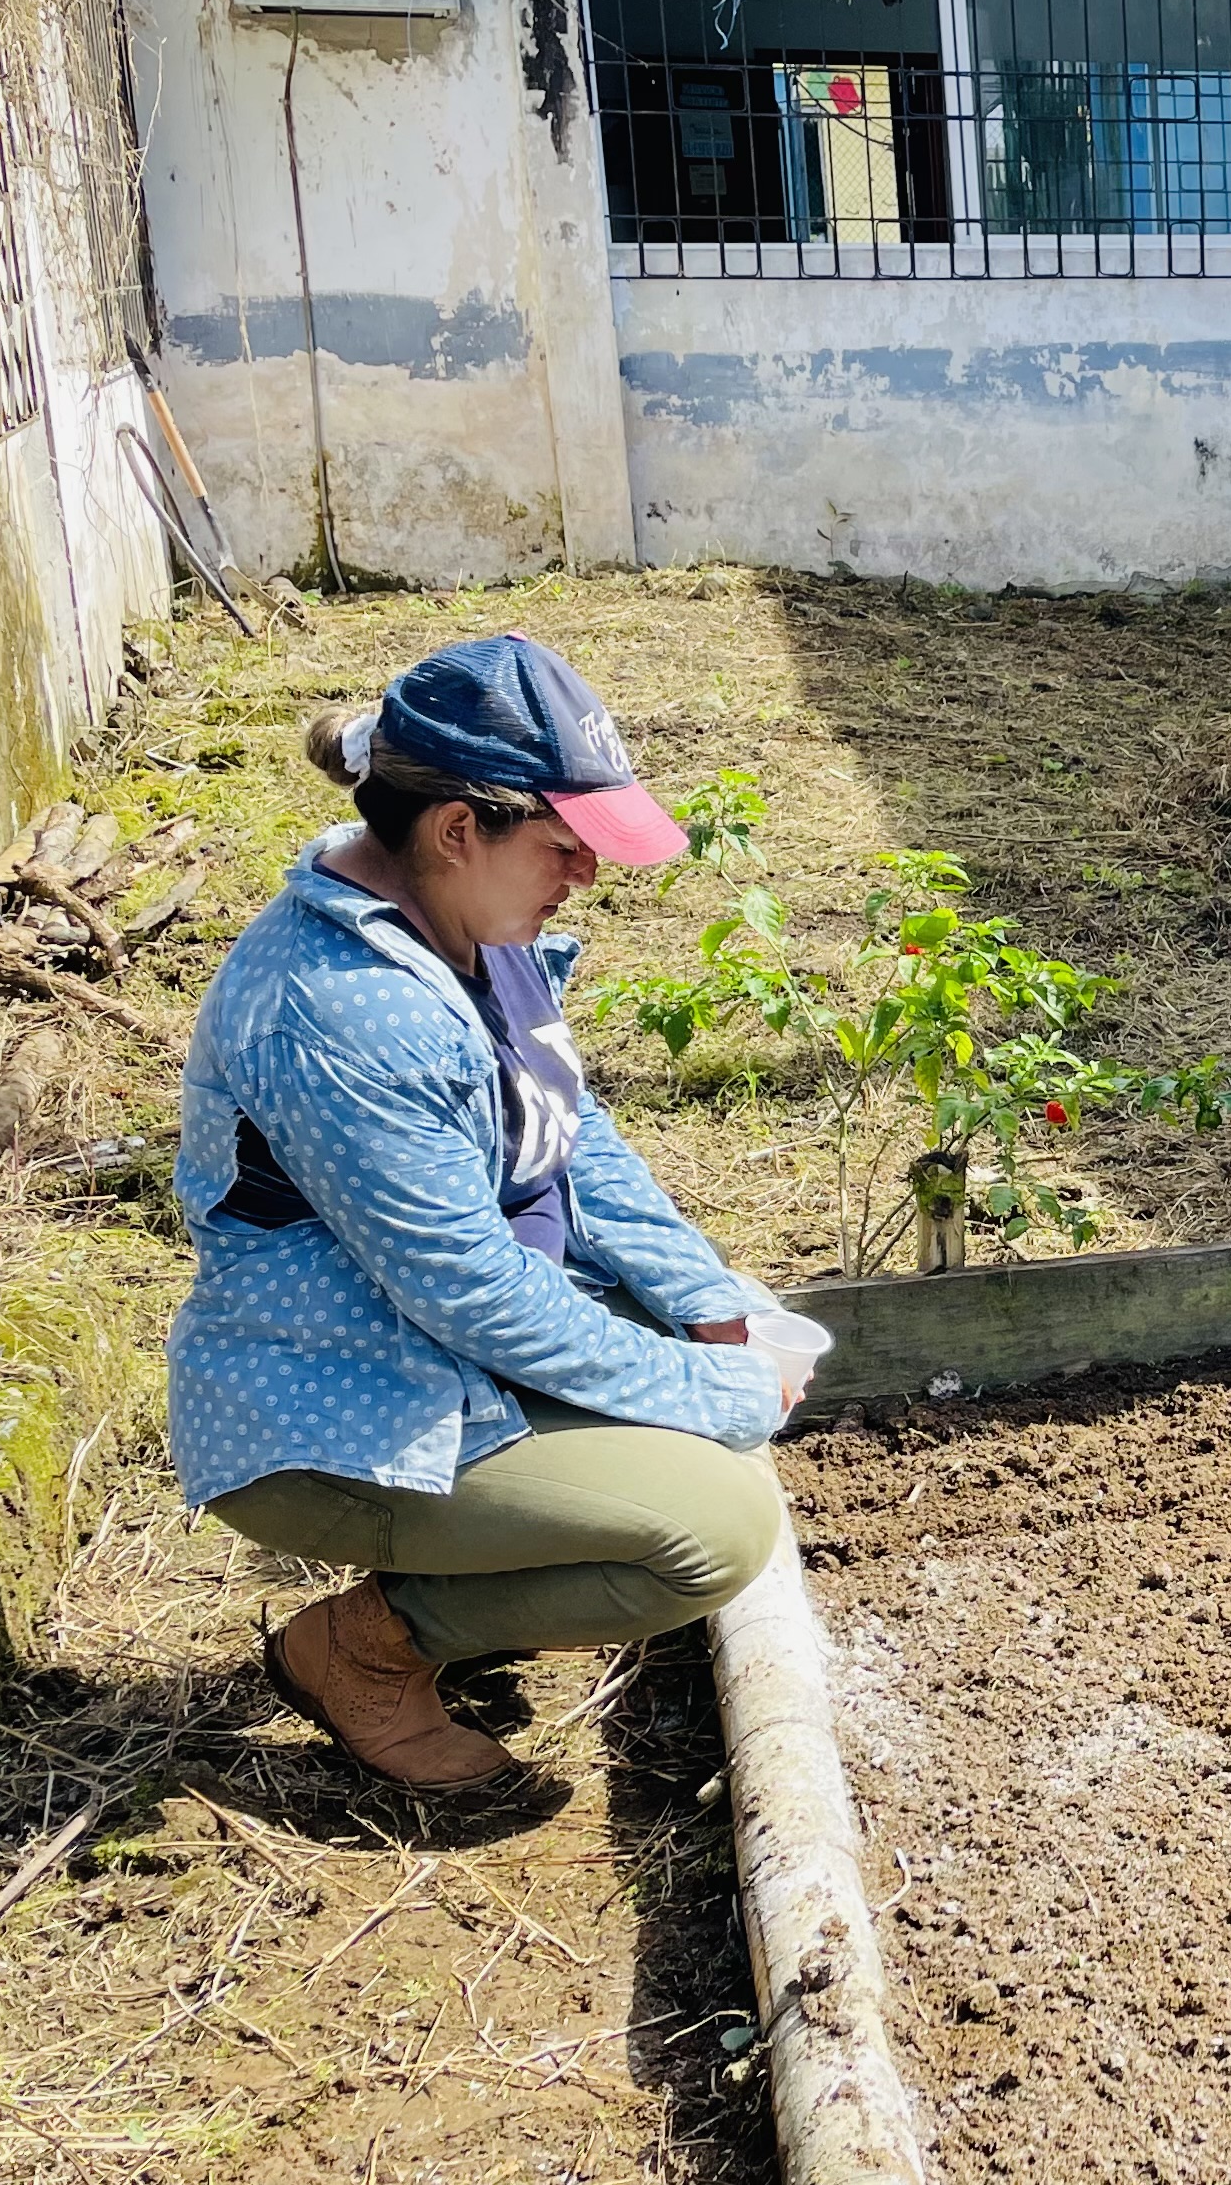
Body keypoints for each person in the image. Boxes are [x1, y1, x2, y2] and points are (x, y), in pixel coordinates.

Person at [169, 636, 801, 1791]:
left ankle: (469, 1577)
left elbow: (570, 1132)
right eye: (564, 845)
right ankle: (364, 1650)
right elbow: (470, 1292)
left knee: (713, 1381)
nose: (587, 876)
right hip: (349, 1407)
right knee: (717, 1529)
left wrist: (706, 1302)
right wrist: (715, 1391)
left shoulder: (459, 920)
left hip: (445, 1351)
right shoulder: (344, 1010)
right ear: (459, 828)